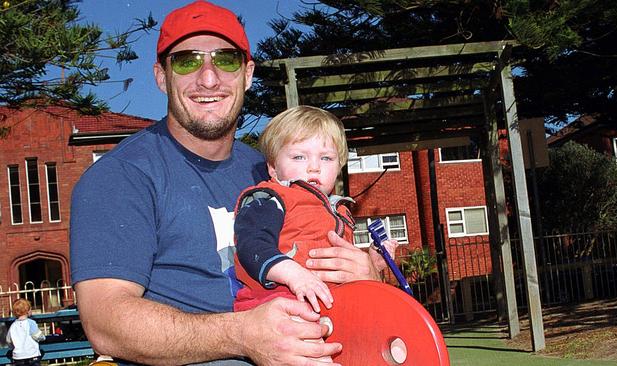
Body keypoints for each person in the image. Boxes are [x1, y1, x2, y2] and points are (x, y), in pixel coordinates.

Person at [70, 1, 386, 365]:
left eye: (226, 59)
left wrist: (368, 273)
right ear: (161, 76)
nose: (208, 78)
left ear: (247, 73)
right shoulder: (121, 177)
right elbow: (105, 322)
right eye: (188, 61)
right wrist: (242, 335)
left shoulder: (271, 172)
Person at [233, 106, 397, 314]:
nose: (314, 167)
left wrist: (373, 264)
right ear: (273, 167)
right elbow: (252, 245)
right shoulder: (270, 198)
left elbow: (339, 266)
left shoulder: (340, 212)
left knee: (395, 338)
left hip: (329, 304)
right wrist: (294, 275)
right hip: (277, 303)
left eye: (326, 158)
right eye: (299, 157)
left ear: (339, 166)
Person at [5, 299, 45, 366]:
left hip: (18, 357)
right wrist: (43, 338)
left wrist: (13, 347)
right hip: (32, 355)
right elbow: (37, 335)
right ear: (28, 311)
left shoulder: (13, 325)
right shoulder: (31, 323)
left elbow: (8, 340)